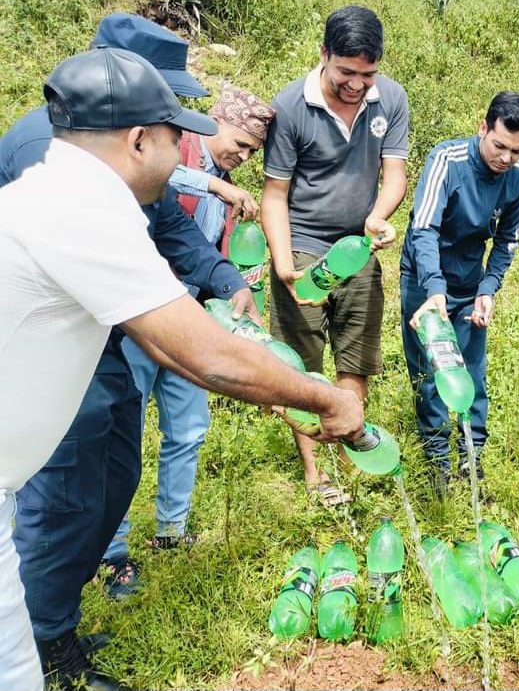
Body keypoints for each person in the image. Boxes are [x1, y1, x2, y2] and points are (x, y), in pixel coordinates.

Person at [0, 48, 365, 691]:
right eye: (177, 138)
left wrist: (269, 385)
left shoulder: (74, 185)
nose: (183, 158)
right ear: (139, 140)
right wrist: (325, 398)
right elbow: (205, 351)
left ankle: (51, 634)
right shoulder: (82, 209)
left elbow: (176, 350)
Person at [0, 13, 264, 686]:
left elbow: (167, 219)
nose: (179, 139)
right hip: (55, 343)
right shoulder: (51, 150)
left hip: (99, 336)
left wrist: (224, 276)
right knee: (64, 495)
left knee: (113, 476)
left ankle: (52, 617)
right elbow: (184, 342)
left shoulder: (116, 150)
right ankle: (38, 645)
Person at [103, 83, 274, 568]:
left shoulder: (223, 178)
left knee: (189, 427)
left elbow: (200, 248)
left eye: (251, 151)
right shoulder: (174, 150)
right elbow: (164, 178)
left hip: (192, 315)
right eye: (239, 143)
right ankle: (112, 548)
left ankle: (171, 530)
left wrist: (236, 281)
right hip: (142, 318)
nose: (242, 156)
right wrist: (214, 184)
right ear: (215, 121)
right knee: (124, 433)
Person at [262, 5, 409, 506]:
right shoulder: (292, 107)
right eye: (346, 72)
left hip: (358, 247)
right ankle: (314, 471)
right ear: (323, 55)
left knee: (356, 355)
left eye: (367, 75)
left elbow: (393, 175)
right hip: (303, 245)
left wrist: (379, 215)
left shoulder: (389, 98)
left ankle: (349, 452)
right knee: (303, 367)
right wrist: (284, 264)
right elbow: (275, 195)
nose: (356, 85)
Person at [400, 91, 519, 494]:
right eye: (499, 146)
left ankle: (472, 461)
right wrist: (434, 290)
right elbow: (424, 228)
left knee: (472, 373)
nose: (506, 158)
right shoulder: (447, 160)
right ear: (483, 128)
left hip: (471, 283)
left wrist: (488, 288)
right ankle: (437, 461)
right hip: (425, 280)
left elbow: (508, 241)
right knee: (433, 371)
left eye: (517, 150)